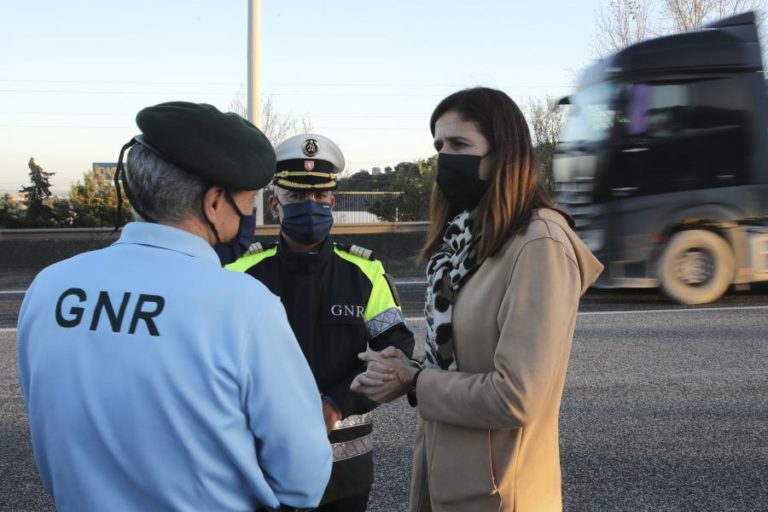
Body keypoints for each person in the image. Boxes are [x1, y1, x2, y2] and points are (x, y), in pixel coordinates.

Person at [16, 102, 332, 512]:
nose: (251, 214)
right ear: (215, 201)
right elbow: (303, 479)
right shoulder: (243, 306)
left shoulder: (50, 287)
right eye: (249, 200)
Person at [351, 87, 604, 512]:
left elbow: (517, 395)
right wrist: (405, 372)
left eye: (460, 144)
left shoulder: (538, 244)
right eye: (439, 146)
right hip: (445, 475)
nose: (444, 158)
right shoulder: (463, 243)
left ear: (503, 154)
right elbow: (459, 366)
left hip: (503, 491)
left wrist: (417, 381)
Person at [227, 133, 416, 512]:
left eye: (318, 197)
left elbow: (396, 354)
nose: (310, 205)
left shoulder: (364, 272)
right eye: (297, 197)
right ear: (275, 204)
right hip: (260, 467)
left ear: (332, 201)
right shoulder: (240, 272)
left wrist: (337, 403)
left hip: (343, 472)